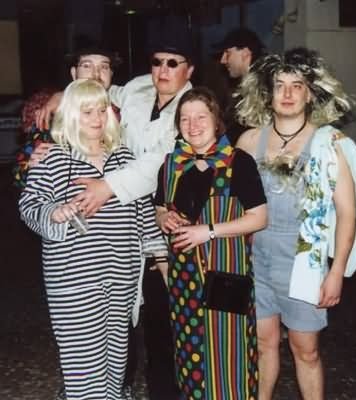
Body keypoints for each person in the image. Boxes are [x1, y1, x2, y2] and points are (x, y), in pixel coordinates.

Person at [34, 32, 195, 400]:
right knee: (92, 350)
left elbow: (156, 165)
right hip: (80, 270)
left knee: (158, 331)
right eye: (157, 61)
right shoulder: (131, 93)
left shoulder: (190, 110)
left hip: (161, 228)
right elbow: (33, 200)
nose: (163, 69)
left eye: (173, 63)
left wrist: (107, 186)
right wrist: (59, 100)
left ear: (189, 71)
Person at [18, 78, 168, 400]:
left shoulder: (123, 157)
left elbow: (144, 214)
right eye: (87, 112)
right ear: (72, 114)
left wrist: (161, 259)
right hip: (74, 282)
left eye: (102, 110)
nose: (97, 119)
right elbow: (29, 206)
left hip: (121, 277)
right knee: (84, 368)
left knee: (116, 366)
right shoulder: (53, 158)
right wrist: (54, 212)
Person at [235, 47, 356, 400]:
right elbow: (233, 203)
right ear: (269, 93)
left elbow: (348, 213)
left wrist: (336, 271)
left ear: (310, 94)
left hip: (304, 259)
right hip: (256, 259)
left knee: (305, 350)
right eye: (280, 85)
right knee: (262, 344)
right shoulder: (249, 141)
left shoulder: (330, 144)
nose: (288, 94)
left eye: (297, 86)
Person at [154, 86, 268, 399]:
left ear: (216, 120)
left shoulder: (238, 163)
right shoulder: (171, 165)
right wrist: (163, 218)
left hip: (227, 276)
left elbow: (259, 218)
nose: (193, 125)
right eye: (185, 118)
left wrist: (209, 231)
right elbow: (160, 208)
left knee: (230, 354)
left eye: (201, 117)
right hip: (184, 280)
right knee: (190, 357)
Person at [14, 43, 122, 188]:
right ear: (74, 73)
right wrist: (31, 166)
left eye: (104, 67)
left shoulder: (124, 111)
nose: (96, 73)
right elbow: (19, 177)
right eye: (87, 66)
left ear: (111, 74)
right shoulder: (52, 115)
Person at [214, 27, 265, 145]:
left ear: (245, 53)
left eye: (227, 53)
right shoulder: (247, 90)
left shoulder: (262, 90)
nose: (222, 60)